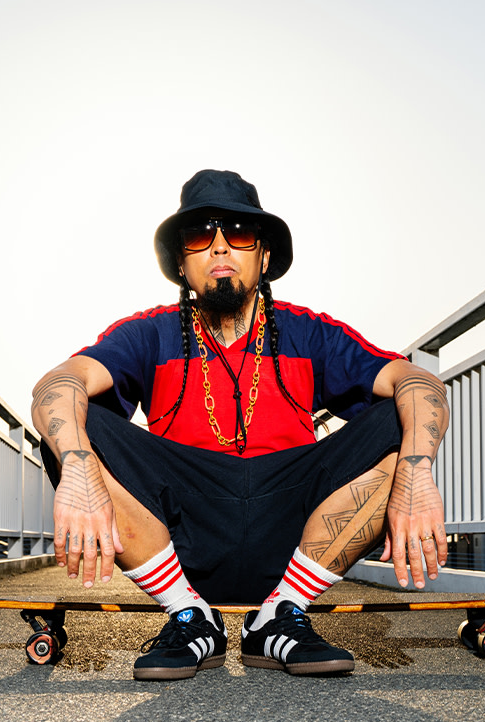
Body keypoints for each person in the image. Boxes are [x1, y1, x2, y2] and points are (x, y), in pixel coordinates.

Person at [32, 169, 449, 681]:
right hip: (183, 533)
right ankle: (190, 616)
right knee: (70, 420)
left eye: (240, 234)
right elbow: (58, 383)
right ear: (182, 264)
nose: (220, 247)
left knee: (397, 419)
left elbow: (418, 382)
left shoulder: (307, 331)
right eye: (200, 236)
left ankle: (280, 615)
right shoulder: (149, 333)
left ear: (264, 257)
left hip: (293, 529)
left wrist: (416, 472)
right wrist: (75, 470)